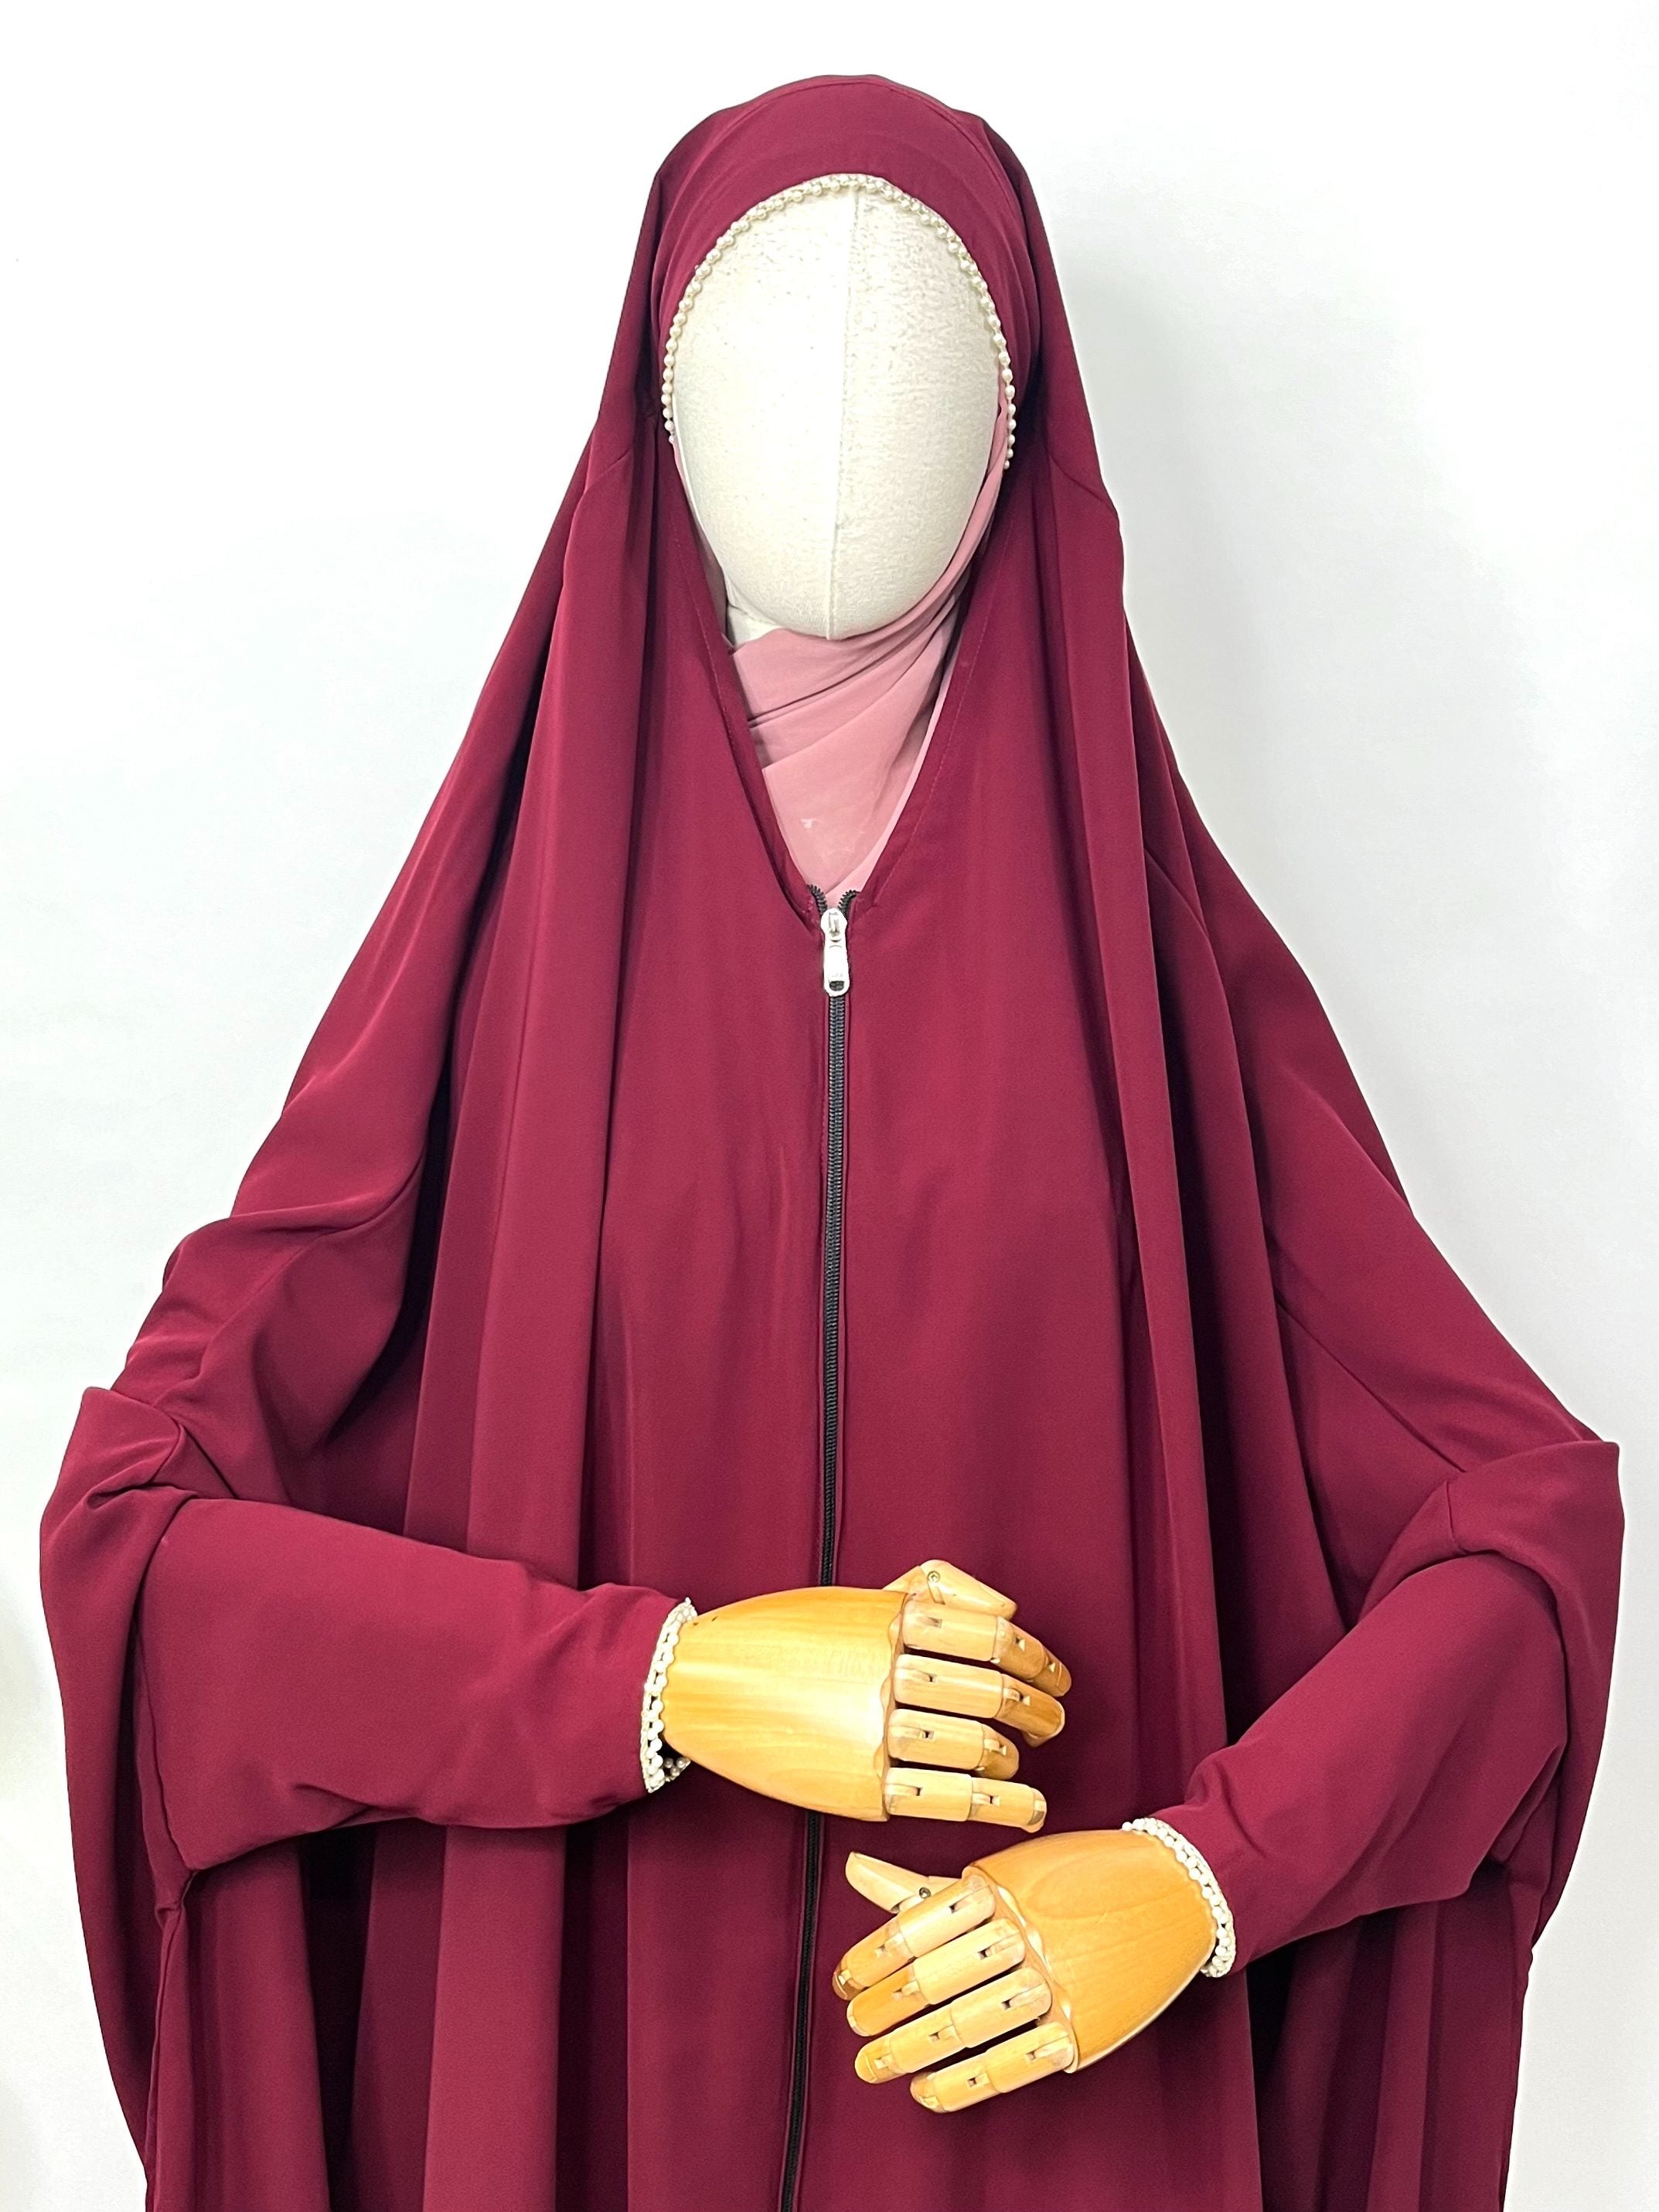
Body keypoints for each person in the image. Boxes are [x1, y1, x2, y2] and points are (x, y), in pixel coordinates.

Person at [41, 73, 1620, 2212]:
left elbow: (1522, 1544)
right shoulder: (499, 973)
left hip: (1046, 2105)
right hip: (585, 2096)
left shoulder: (1159, 997)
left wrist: (1193, 1882)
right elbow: (142, 1546)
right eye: (757, 346)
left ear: (1021, 429)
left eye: (928, 349)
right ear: (654, 415)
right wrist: (657, 1681)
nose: (843, 417)